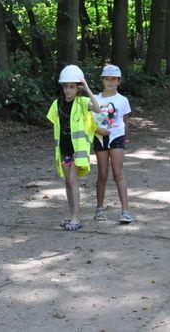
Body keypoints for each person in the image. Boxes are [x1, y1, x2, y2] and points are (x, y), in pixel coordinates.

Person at [46, 65, 101, 231]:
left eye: (72, 87)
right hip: (64, 149)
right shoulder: (57, 104)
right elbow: (55, 123)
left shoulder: (82, 102)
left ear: (78, 88)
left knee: (72, 180)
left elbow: (98, 109)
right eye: (66, 87)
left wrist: (88, 89)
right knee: (68, 183)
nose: (68, 90)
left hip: (79, 150)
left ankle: (76, 218)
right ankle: (72, 216)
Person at [93, 64, 134, 224]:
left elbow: (125, 121)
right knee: (102, 173)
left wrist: (126, 138)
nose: (110, 82)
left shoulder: (123, 100)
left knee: (118, 173)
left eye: (113, 79)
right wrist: (97, 129)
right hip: (99, 137)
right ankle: (99, 208)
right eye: (107, 78)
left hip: (117, 137)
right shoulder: (95, 99)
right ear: (102, 80)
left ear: (119, 81)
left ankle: (125, 211)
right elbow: (88, 121)